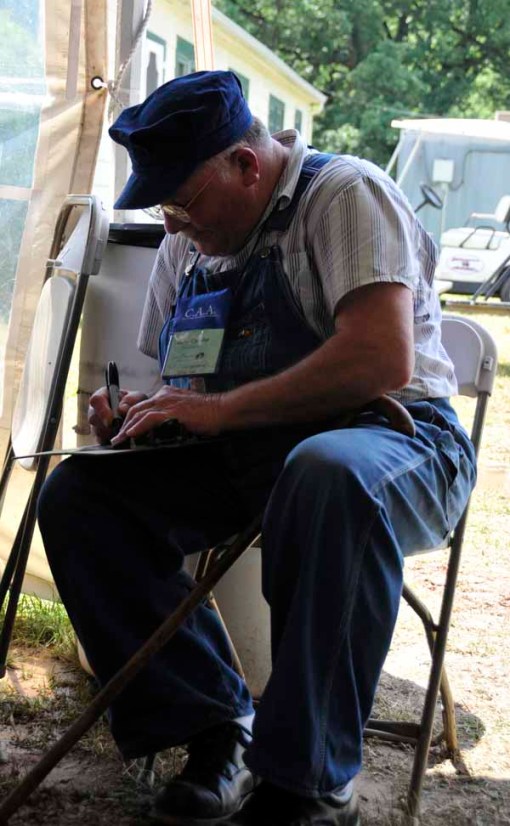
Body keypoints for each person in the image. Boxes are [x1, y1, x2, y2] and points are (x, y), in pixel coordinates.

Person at [37, 71, 477, 826]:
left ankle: (307, 783)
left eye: (183, 200)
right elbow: (176, 379)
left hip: (397, 441)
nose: (171, 225)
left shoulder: (345, 195)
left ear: (246, 165)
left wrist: (217, 411)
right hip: (253, 449)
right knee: (81, 496)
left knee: (327, 471)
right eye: (163, 206)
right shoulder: (193, 242)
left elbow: (380, 360)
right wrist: (137, 412)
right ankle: (217, 729)